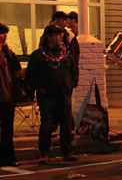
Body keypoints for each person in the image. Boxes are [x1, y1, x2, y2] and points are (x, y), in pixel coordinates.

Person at [26, 27, 79, 163]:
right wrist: (40, 88)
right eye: (57, 35)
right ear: (49, 37)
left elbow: (74, 71)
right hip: (47, 95)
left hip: (64, 94)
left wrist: (71, 83)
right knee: (47, 125)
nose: (60, 38)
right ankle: (44, 153)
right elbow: (30, 76)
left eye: (61, 35)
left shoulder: (66, 55)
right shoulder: (38, 56)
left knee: (66, 124)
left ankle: (67, 152)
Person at [0, 23, 22, 166]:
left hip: (8, 95)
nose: (5, 36)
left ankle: (9, 158)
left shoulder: (5, 53)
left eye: (5, 33)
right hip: (2, 95)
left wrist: (10, 53)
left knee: (8, 130)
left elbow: (17, 67)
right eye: (2, 33)